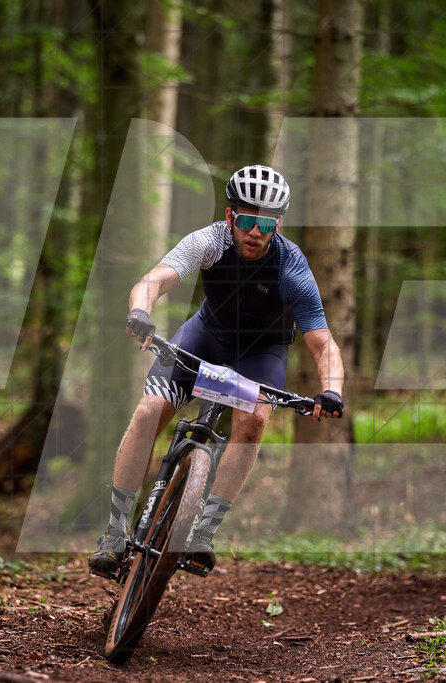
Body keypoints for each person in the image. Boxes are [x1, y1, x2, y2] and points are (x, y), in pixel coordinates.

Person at [89, 164, 345, 577]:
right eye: (246, 220)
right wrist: (140, 311)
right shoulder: (209, 241)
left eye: (266, 223)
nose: (255, 232)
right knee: (148, 412)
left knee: (254, 421)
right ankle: (115, 532)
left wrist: (331, 389)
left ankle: (203, 533)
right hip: (205, 338)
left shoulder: (292, 267)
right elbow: (155, 280)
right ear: (230, 216)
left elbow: (322, 343)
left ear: (278, 224)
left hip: (261, 353)